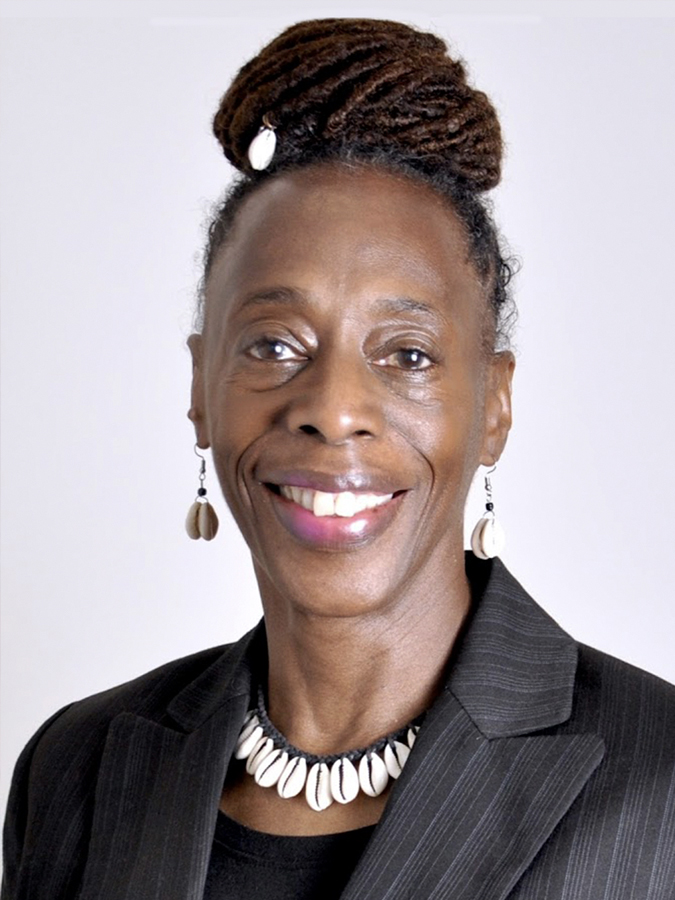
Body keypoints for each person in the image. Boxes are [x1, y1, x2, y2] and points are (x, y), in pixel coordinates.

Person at [3, 17, 674, 900]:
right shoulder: (75, 767)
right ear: (201, 389)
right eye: (274, 344)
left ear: (494, 407)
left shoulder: (660, 783)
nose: (332, 410)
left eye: (407, 354)